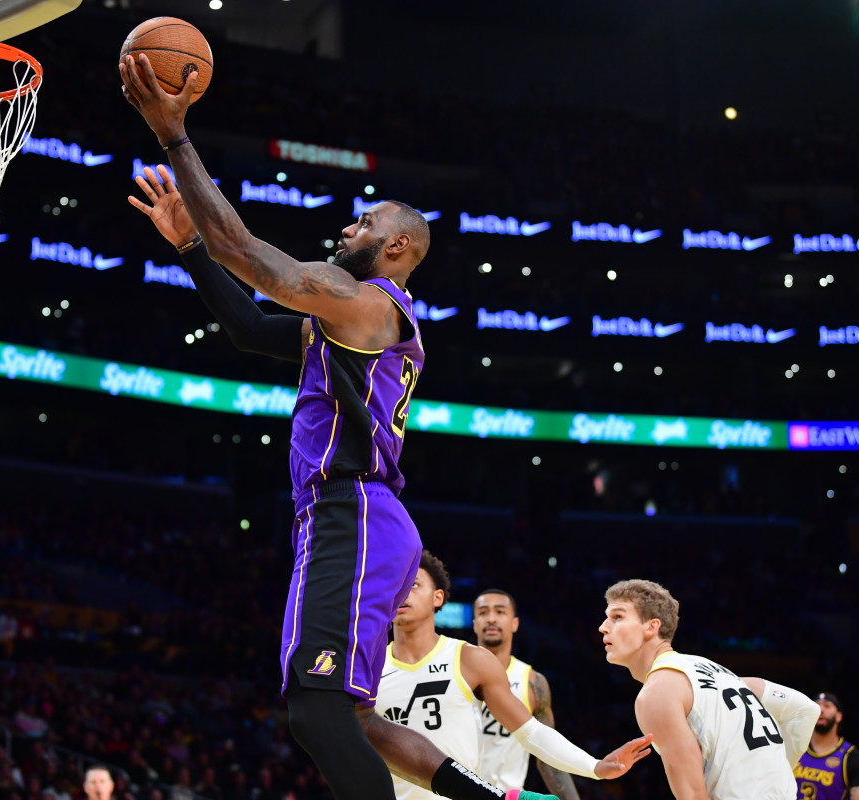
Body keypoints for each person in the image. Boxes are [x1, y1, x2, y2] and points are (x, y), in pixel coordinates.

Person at [121, 57, 549, 800]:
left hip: (353, 509)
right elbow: (253, 327)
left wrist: (175, 137)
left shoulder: (367, 303)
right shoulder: (349, 321)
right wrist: (191, 249)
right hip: (351, 514)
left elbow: (250, 256)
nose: (348, 225)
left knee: (317, 714)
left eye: (366, 221)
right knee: (348, 717)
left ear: (396, 248)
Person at [378, 551, 653, 800]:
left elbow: (531, 733)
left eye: (413, 585)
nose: (403, 592)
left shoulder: (469, 659)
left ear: (438, 597)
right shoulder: (366, 668)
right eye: (397, 585)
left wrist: (595, 767)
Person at [599, 579, 820, 800]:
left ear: (651, 627)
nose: (603, 627)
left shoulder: (657, 693)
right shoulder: (720, 673)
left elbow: (693, 795)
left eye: (617, 617)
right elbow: (805, 709)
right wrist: (774, 773)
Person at [471, 590, 577, 799]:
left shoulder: (532, 682)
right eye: (483, 612)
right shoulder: (453, 671)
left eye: (500, 612)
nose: (491, 618)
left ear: (515, 623)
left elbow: (548, 755)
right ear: (475, 623)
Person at [794, 692, 859, 800]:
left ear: (838, 716)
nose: (821, 710)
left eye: (827, 706)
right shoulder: (793, 747)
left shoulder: (853, 758)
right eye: (817, 706)